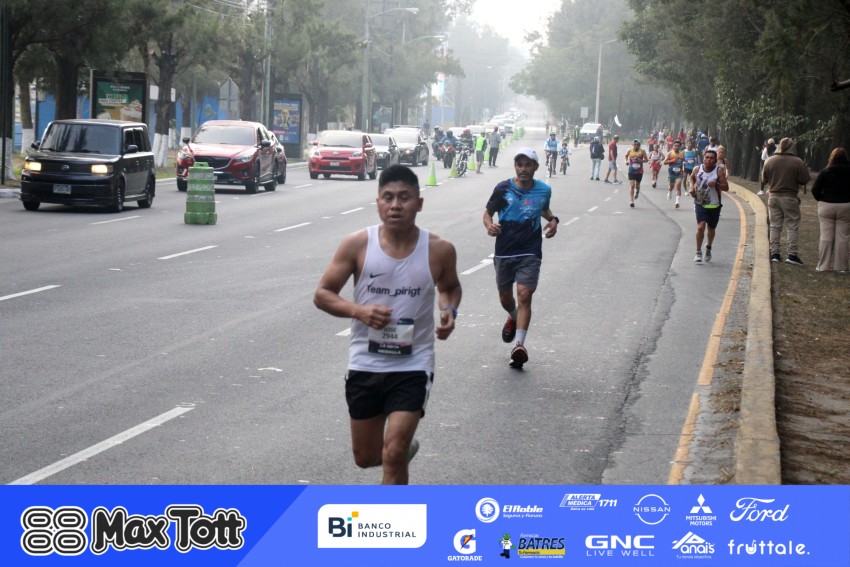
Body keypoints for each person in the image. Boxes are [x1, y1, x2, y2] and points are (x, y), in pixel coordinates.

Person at [313, 165, 462, 484]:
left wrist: (449, 309)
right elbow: (322, 294)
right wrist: (359, 311)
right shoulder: (357, 244)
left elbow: (450, 286)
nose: (395, 205)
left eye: (404, 198)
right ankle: (402, 452)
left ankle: (394, 495)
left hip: (413, 363)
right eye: (388, 197)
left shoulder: (439, 250)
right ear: (378, 203)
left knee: (393, 452)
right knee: (366, 457)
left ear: (419, 204)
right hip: (366, 362)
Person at [482, 148, 560, 369]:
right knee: (506, 300)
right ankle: (513, 316)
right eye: (520, 164)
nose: (523, 169)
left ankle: (519, 346)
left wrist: (553, 219)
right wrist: (490, 226)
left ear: (536, 167)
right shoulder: (503, 188)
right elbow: (487, 213)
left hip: (530, 251)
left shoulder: (544, 190)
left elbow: (542, 208)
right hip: (505, 251)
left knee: (524, 295)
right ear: (515, 166)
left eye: (528, 165)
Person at [762, 137, 811, 265]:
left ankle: (775, 254)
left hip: (773, 197)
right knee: (792, 226)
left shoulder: (769, 161)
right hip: (790, 197)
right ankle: (792, 255)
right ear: (792, 148)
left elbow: (764, 179)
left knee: (775, 226)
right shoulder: (797, 162)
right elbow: (805, 179)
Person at [811, 147, 850, 272]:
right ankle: (842, 267)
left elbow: (815, 189)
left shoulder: (825, 171)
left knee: (826, 236)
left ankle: (823, 266)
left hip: (826, 205)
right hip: (845, 205)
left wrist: (821, 198)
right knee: (843, 237)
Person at [688, 148, 728, 262]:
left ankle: (709, 247)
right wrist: (691, 187)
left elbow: (726, 187)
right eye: (707, 157)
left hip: (714, 204)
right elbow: (692, 178)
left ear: (715, 160)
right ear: (703, 158)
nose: (709, 160)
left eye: (711, 158)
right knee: (701, 227)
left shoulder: (718, 171)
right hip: (700, 202)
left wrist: (717, 184)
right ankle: (698, 252)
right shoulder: (697, 169)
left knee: (711, 228)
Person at [625, 138, 648, 207]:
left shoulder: (642, 151)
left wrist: (640, 160)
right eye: (635, 145)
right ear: (633, 145)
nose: (636, 146)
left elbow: (646, 160)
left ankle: (637, 192)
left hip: (639, 171)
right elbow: (626, 156)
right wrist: (626, 161)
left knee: (637, 185)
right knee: (632, 185)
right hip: (631, 171)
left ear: (639, 145)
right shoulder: (629, 150)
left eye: (638, 145)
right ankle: (632, 201)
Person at [664, 139, 685, 208]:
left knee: (678, 185)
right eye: (675, 145)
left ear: (680, 147)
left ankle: (677, 202)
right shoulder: (670, 153)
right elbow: (664, 162)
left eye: (678, 146)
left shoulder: (682, 154)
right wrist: (672, 160)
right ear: (673, 146)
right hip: (672, 172)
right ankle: (670, 191)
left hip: (679, 172)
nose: (677, 147)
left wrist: (684, 162)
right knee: (671, 186)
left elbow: (684, 161)